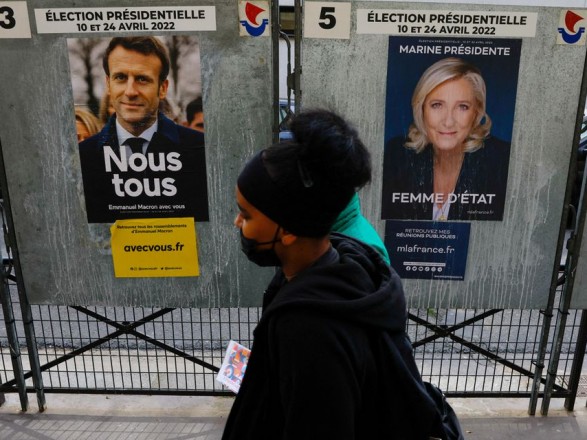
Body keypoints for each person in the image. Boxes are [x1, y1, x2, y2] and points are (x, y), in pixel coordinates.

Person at [223, 109, 448, 439]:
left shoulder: (308, 328)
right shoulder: (344, 260)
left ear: (287, 229)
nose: (237, 223)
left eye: (246, 214)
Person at [78, 36, 208, 223]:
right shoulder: (83, 158)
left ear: (162, 88)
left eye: (142, 79)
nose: (130, 92)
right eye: (121, 77)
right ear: (108, 84)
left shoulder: (199, 150)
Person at [381, 57, 511, 221]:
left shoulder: (501, 161)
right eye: (437, 105)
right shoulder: (398, 156)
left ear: (476, 113)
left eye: (462, 107)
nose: (448, 121)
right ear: (421, 109)